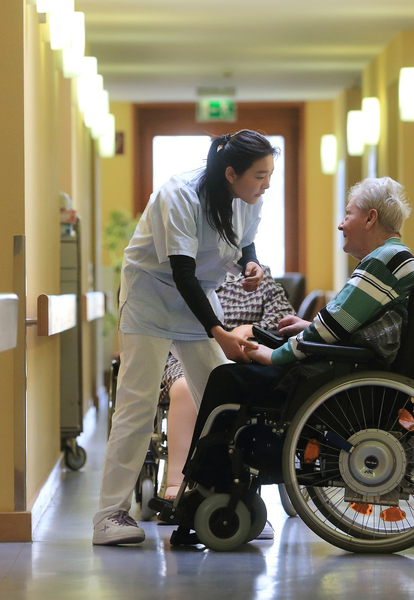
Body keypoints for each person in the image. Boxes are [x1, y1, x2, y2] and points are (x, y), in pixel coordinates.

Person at [93, 130, 280, 546]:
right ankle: (109, 515)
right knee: (138, 404)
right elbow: (182, 272)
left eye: (270, 174)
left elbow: (245, 240)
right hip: (151, 299)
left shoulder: (249, 197)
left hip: (200, 296)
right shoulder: (180, 194)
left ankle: (230, 500)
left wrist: (251, 265)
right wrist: (220, 332)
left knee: (225, 401)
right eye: (260, 175)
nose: (267, 184)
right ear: (231, 174)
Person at [184, 177, 414, 471]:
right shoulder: (397, 259)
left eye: (348, 214)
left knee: (226, 377)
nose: (340, 225)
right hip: (356, 371)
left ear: (370, 218)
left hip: (342, 379)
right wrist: (308, 326)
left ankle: (211, 476)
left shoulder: (382, 261)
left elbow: (333, 327)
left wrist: (275, 355)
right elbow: (349, 323)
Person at [160, 266, 295, 501]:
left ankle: (231, 477)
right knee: (184, 388)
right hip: (188, 350)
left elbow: (285, 319)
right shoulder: (189, 277)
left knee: (243, 388)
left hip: (245, 353)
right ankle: (177, 481)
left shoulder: (258, 277)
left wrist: (250, 329)